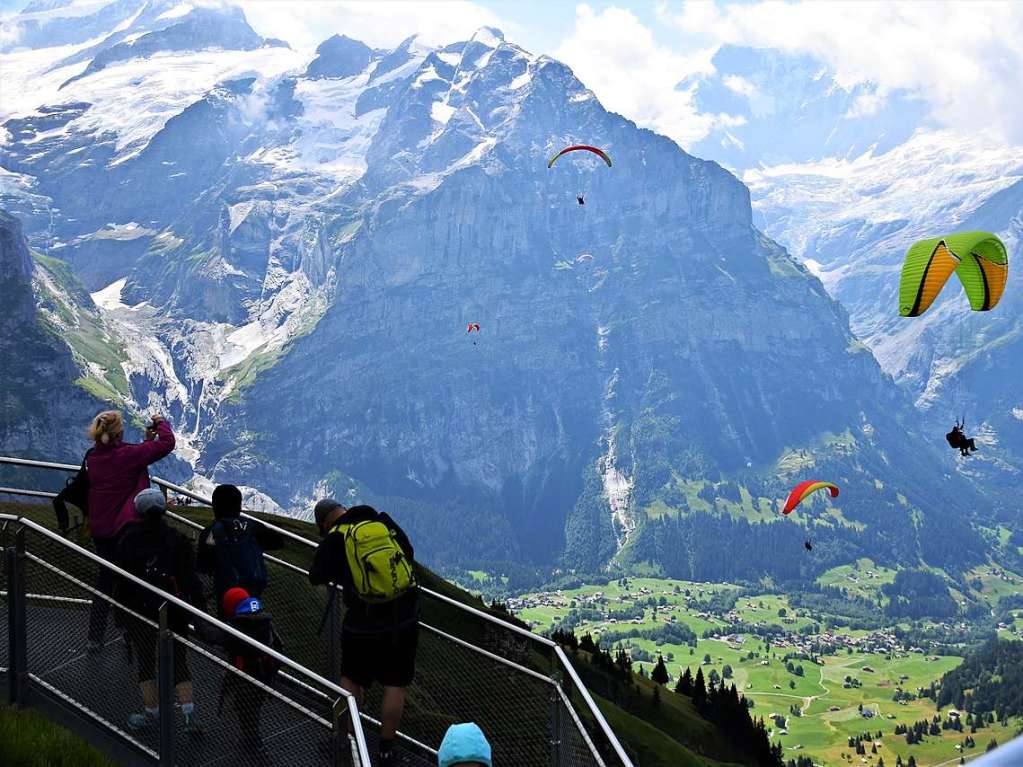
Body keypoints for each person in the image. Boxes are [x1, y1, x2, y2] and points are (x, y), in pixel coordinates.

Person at [308, 499, 420, 767]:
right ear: (343, 508)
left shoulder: (335, 537)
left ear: (324, 523)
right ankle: (385, 750)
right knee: (395, 684)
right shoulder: (382, 520)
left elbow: (316, 576)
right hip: (402, 619)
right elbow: (408, 552)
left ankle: (347, 739)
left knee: (350, 680)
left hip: (362, 622)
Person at [116, 488, 206, 734]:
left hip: (139, 608)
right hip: (174, 609)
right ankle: (189, 716)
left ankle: (150, 713)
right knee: (180, 661)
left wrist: (120, 613)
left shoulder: (128, 539)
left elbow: (121, 580)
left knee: (145, 660)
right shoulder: (177, 538)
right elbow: (190, 578)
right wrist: (197, 610)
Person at [85, 410, 175, 652]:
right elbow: (167, 444)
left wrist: (145, 443)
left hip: (100, 528)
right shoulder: (127, 456)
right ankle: (132, 631)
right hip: (125, 529)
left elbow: (123, 464)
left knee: (105, 580)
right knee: (132, 579)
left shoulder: (93, 457)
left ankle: (95, 636)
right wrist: (160, 423)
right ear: (119, 432)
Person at [215, 587, 283, 759]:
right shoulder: (264, 622)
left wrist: (195, 617)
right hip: (264, 676)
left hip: (245, 678)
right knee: (251, 711)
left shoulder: (238, 628)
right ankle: (251, 742)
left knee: (246, 712)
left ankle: (255, 747)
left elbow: (214, 637)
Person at [197, 484, 284, 611]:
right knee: (253, 619)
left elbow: (203, 566)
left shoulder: (211, 532)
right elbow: (278, 542)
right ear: (239, 505)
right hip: (252, 589)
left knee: (227, 623)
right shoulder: (252, 527)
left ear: (215, 506)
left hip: (226, 591)